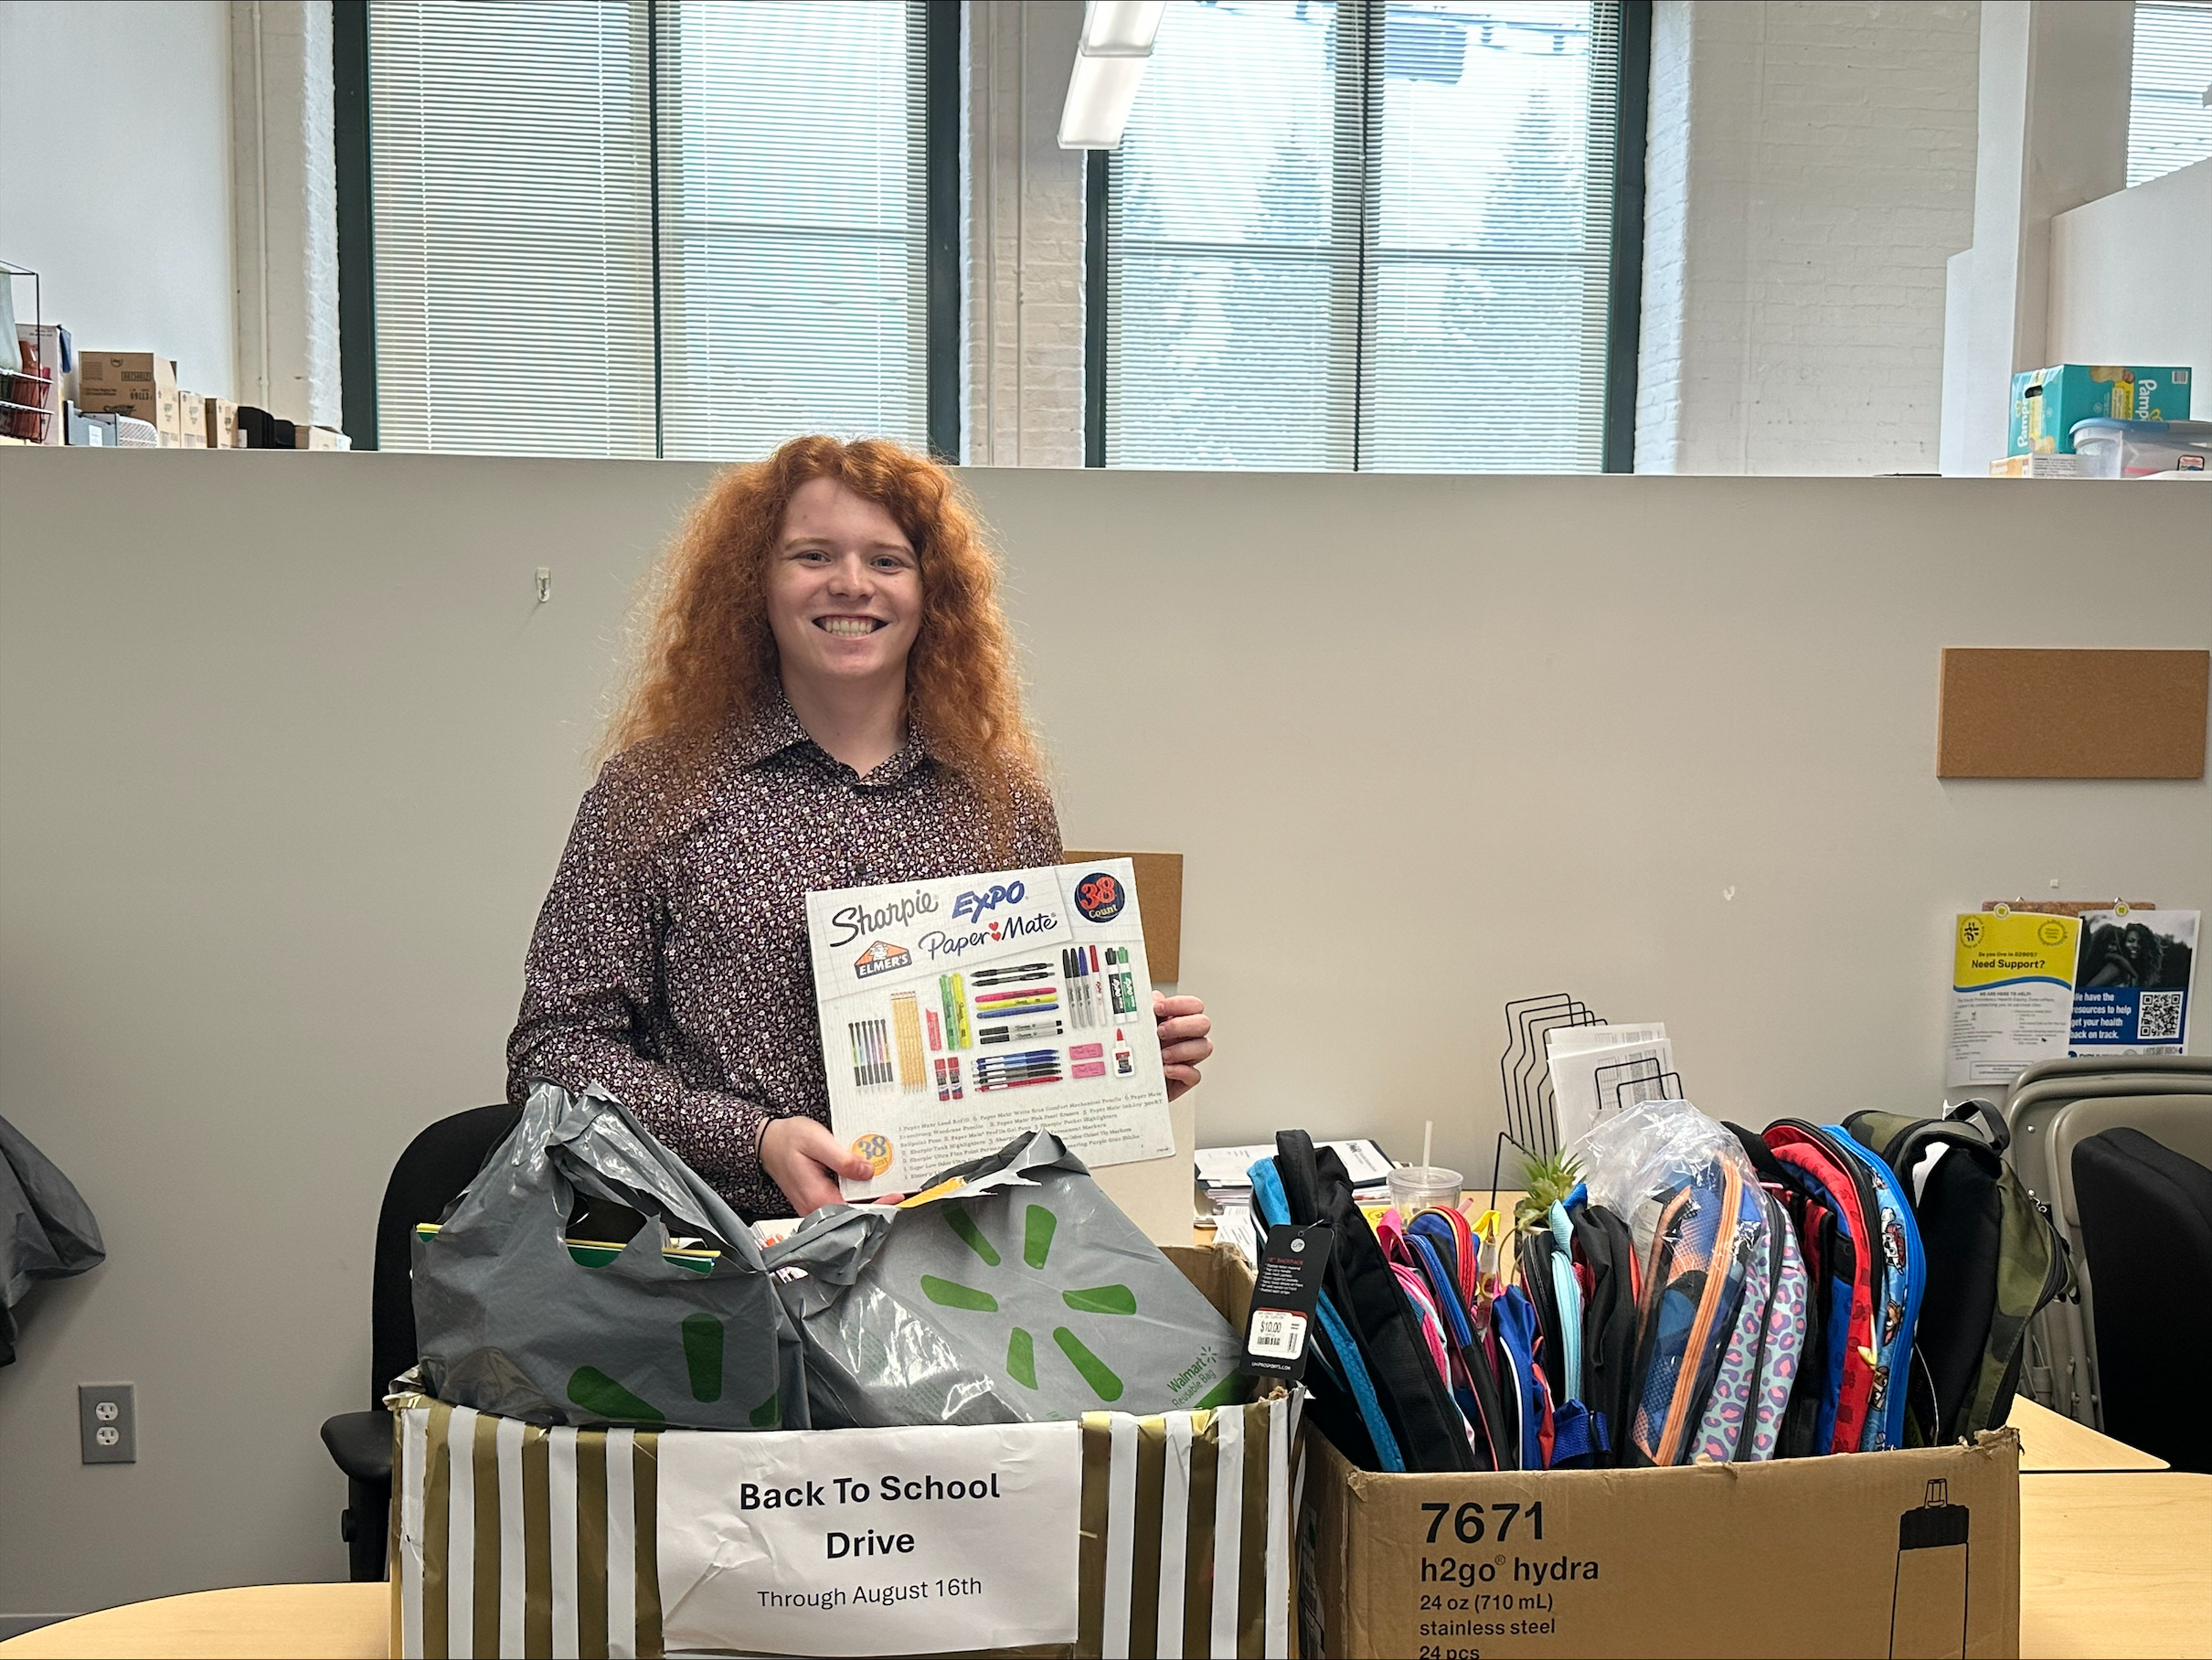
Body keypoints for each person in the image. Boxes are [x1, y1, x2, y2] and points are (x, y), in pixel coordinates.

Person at [507, 435, 1213, 1218]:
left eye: (887, 560)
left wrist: (1116, 1069)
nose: (851, 584)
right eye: (812, 555)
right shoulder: (654, 792)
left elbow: (1014, 1054)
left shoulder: (1002, 800)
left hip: (951, 1248)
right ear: (756, 583)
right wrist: (753, 1139)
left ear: (931, 592)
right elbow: (553, 1052)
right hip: (722, 1244)